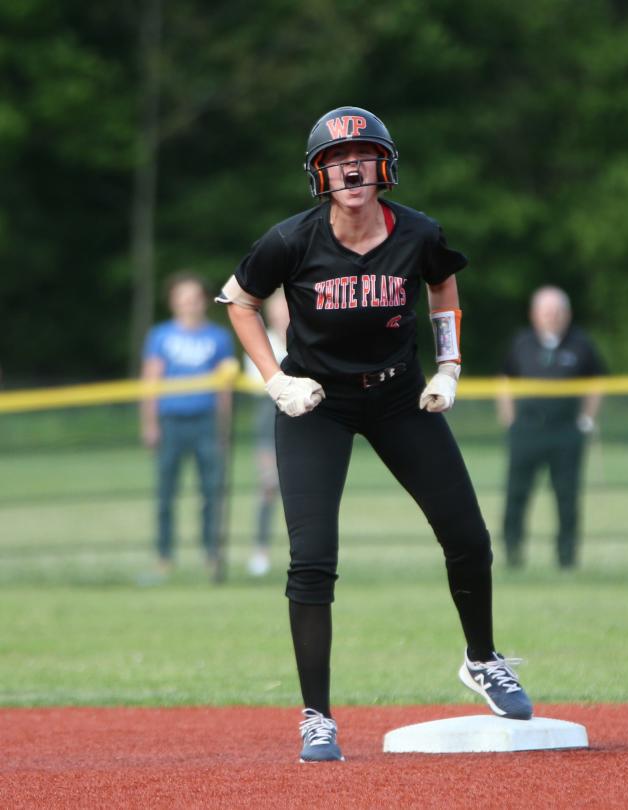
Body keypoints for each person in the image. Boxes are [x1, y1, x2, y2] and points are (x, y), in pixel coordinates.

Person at [216, 106, 533, 763]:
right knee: (313, 558)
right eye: (336, 159)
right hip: (317, 404)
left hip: (397, 395)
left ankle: (481, 659)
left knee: (468, 535)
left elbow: (443, 282)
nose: (352, 167)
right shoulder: (292, 240)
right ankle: (317, 716)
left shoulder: (417, 233)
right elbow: (240, 301)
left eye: (363, 154)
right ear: (318, 174)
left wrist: (449, 365)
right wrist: (275, 378)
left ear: (385, 165)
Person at [498, 286, 606, 569]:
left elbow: (596, 383)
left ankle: (566, 559)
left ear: (567, 314)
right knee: (516, 494)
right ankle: (512, 556)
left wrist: (587, 420)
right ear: (535, 315)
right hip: (527, 431)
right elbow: (504, 382)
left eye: (557, 311)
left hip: (566, 433)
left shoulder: (580, 343)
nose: (552, 316)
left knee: (567, 498)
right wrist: (510, 421)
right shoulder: (522, 343)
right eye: (546, 311)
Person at [140, 271, 234, 580]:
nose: (189, 304)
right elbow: (150, 382)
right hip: (171, 422)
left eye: (194, 298)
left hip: (205, 422)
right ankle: (164, 557)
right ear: (173, 303)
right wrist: (150, 423)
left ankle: (212, 556)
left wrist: (224, 428)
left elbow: (224, 391)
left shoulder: (218, 338)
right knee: (165, 494)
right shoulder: (160, 336)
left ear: (204, 302)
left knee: (212, 492)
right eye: (183, 299)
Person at [242, 291, 290, 577]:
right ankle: (260, 551)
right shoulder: (262, 342)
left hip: (305, 421)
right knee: (268, 487)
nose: (282, 317)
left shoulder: (307, 338)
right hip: (269, 423)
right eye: (277, 313)